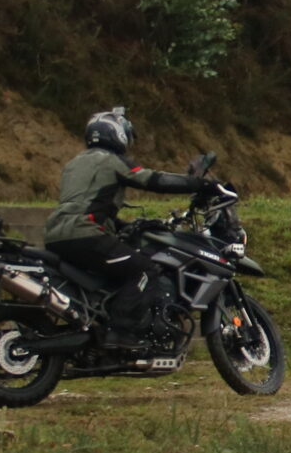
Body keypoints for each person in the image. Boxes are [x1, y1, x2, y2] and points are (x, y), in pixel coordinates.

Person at [44, 107, 212, 331]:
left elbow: (87, 204)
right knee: (145, 270)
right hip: (86, 234)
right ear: (117, 132)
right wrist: (197, 183)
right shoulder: (112, 160)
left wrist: (122, 225)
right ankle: (121, 330)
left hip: (56, 235)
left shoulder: (73, 165)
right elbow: (153, 180)